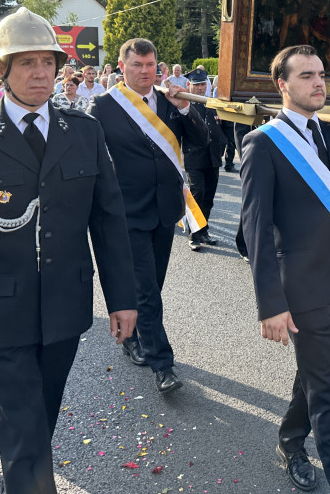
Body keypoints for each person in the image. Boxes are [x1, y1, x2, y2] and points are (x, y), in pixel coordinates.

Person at [0, 8, 137, 494]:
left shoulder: (83, 132)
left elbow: (109, 224)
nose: (41, 73)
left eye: (48, 62)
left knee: (39, 419)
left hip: (64, 309)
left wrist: (124, 299)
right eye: (26, 63)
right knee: (22, 429)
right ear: (0, 71)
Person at [240, 44, 330, 494]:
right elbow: (255, 231)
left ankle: (289, 439)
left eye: (322, 74)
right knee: (329, 390)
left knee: (317, 372)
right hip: (302, 287)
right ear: (282, 85)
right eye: (306, 76)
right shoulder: (263, 143)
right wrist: (270, 304)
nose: (319, 83)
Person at [87, 38, 208, 396]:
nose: (145, 71)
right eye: (137, 65)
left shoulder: (170, 101)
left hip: (166, 209)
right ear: (122, 67)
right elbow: (90, 158)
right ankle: (162, 364)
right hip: (128, 211)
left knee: (152, 284)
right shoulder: (104, 107)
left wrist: (186, 110)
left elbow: (202, 141)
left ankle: (134, 333)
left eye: (150, 64)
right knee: (146, 290)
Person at [182, 67, 224, 251]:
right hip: (194, 158)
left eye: (203, 84)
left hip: (212, 158)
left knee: (209, 197)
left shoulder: (212, 103)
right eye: (196, 85)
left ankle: (204, 230)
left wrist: (223, 143)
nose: (200, 88)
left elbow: (224, 126)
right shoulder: (184, 105)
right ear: (189, 85)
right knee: (197, 193)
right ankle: (194, 234)